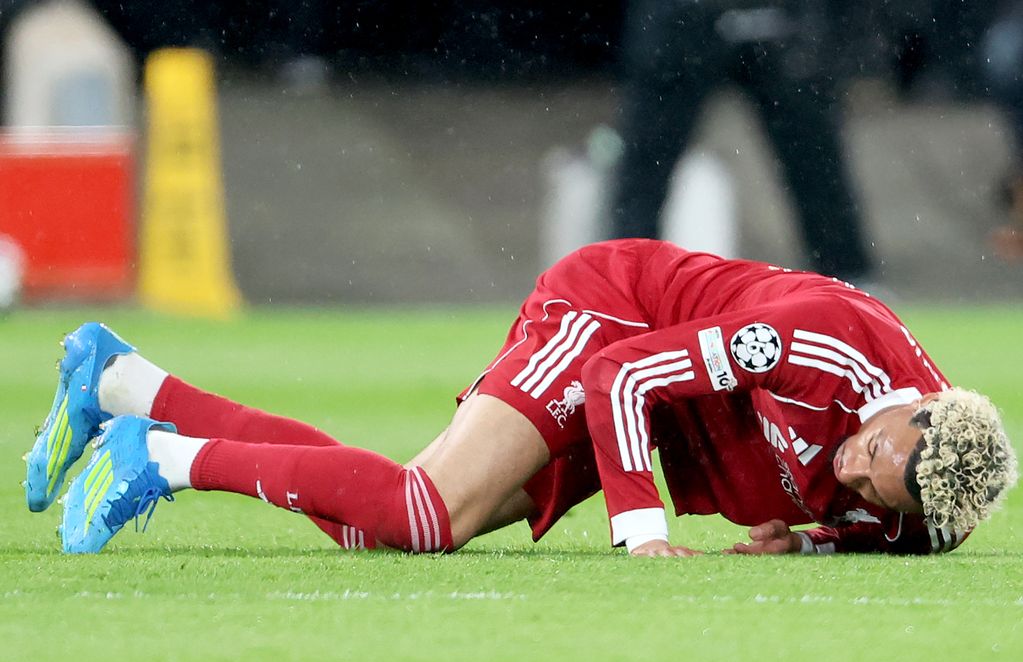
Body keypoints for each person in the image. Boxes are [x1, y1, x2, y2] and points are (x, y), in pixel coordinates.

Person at [25, 240, 1016, 556]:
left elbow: (880, 529)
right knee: (422, 512)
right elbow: (620, 375)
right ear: (915, 405)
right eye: (874, 450)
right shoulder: (816, 344)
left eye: (879, 490)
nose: (857, 468)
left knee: (390, 522)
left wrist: (810, 540)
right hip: (615, 322)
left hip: (670, 403)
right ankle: (155, 457)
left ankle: (118, 381)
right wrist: (640, 530)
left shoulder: (931, 504)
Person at [610, 0, 875, 283]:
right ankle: (625, 281)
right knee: (647, 164)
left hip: (778, 18)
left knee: (816, 158)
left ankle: (848, 281)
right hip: (686, 18)